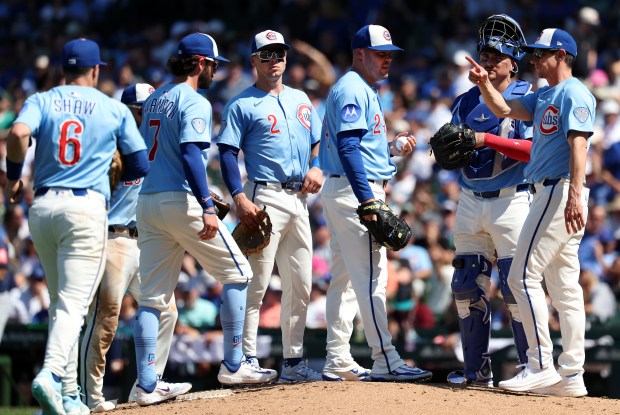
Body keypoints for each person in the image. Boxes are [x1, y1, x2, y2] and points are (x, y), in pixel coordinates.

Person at [5, 38, 149, 415]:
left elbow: (18, 135)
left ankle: (69, 396)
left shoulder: (43, 99)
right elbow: (138, 165)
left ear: (62, 70)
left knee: (61, 305)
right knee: (74, 305)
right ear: (96, 70)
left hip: (44, 205)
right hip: (86, 207)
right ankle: (52, 373)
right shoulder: (112, 107)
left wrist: (14, 176)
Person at [133, 32, 274, 407]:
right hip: (180, 199)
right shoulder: (192, 99)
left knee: (152, 298)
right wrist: (208, 206)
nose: (214, 70)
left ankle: (146, 383)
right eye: (212, 63)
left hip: (147, 201)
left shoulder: (156, 97)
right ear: (199, 63)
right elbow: (192, 154)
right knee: (239, 273)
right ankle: (233, 363)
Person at [467, 28, 595, 397]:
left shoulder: (574, 92)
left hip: (558, 190)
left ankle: (540, 365)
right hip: (549, 191)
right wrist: (483, 84)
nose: (533, 59)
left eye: (540, 54)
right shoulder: (544, 95)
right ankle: (572, 376)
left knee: (521, 276)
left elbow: (580, 145)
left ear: (560, 55)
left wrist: (574, 194)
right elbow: (505, 108)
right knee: (564, 287)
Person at [318, 24, 432, 382]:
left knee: (345, 280)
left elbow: (359, 148)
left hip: (345, 188)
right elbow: (349, 148)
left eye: (390, 55)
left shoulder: (361, 88)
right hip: (358, 191)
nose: (387, 60)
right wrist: (368, 200)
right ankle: (386, 358)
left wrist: (392, 150)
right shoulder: (354, 87)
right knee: (372, 279)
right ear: (359, 54)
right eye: (380, 53)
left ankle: (337, 357)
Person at [216, 29, 323, 383]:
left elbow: (319, 143)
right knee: (256, 283)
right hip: (264, 197)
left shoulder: (301, 99)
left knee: (301, 283)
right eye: (266, 54)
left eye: (279, 53)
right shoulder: (242, 103)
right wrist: (239, 196)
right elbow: (228, 153)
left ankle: (293, 361)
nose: (274, 60)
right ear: (253, 61)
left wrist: (317, 166)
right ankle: (244, 357)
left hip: (299, 199)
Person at [79, 83, 189, 413]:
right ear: (126, 109)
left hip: (146, 240)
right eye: (139, 109)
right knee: (105, 319)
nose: (144, 114)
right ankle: (89, 398)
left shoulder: (159, 146)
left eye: (147, 108)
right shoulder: (107, 145)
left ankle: (148, 384)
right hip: (111, 238)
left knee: (167, 311)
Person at [445, 14, 532, 387]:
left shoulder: (527, 97)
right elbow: (452, 154)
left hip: (513, 200)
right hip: (469, 200)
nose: (490, 59)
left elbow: (534, 150)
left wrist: (486, 141)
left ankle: (533, 368)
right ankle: (476, 373)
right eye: (485, 53)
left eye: (498, 55)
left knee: (516, 289)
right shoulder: (464, 101)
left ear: (514, 62)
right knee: (466, 285)